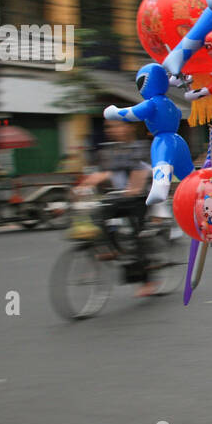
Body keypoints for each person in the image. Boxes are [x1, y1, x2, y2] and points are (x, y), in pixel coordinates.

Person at [77, 121, 160, 295]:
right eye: (110, 127)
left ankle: (148, 281)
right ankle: (114, 249)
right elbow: (106, 172)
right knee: (98, 214)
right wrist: (85, 183)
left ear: (130, 127)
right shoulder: (111, 149)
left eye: (118, 126)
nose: (114, 130)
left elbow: (142, 171)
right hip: (122, 196)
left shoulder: (140, 147)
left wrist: (133, 189)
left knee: (137, 235)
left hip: (141, 196)